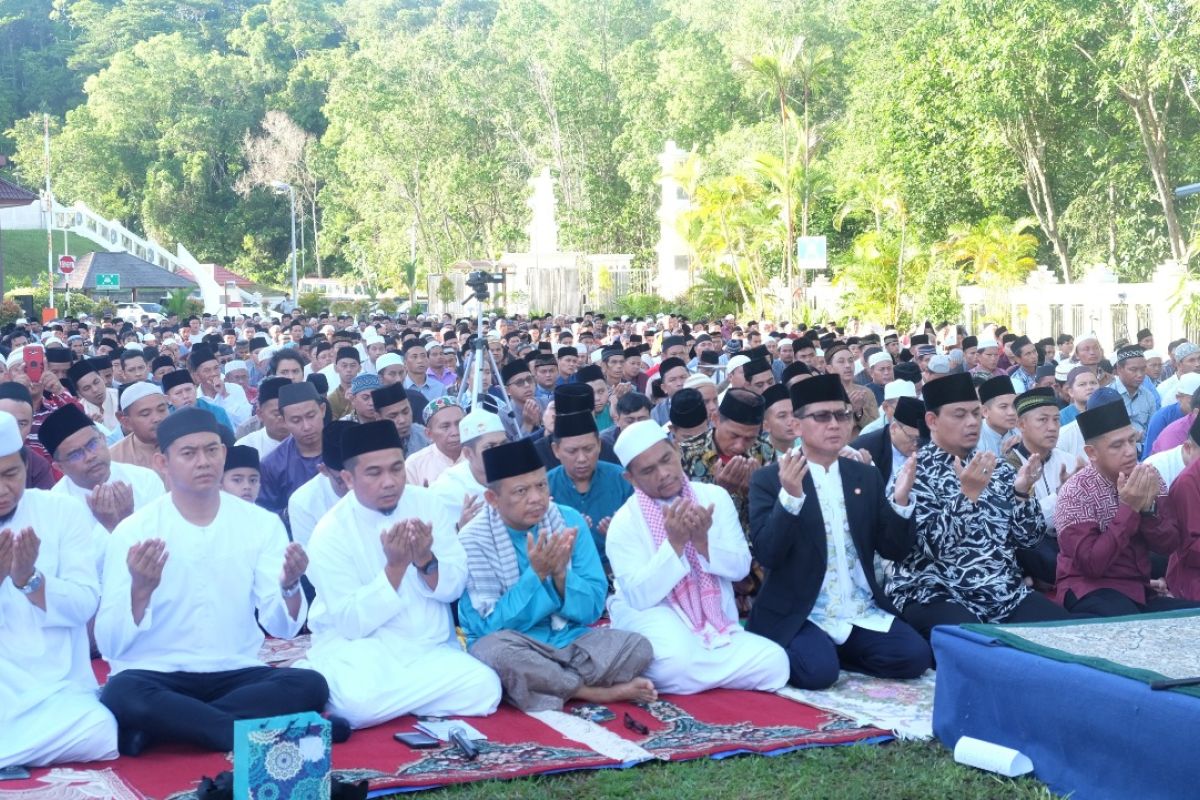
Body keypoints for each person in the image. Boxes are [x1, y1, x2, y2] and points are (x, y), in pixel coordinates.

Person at [95, 407, 329, 755]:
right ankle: (254, 733)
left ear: (223, 453)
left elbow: (282, 627)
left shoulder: (260, 524)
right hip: (156, 675)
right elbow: (110, 645)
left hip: (235, 673)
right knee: (121, 694)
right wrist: (140, 591)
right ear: (163, 463)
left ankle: (168, 731)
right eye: (189, 453)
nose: (203, 461)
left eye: (212, 450)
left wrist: (291, 585)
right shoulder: (136, 530)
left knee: (310, 684)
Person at [301, 420, 501, 729]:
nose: (390, 481)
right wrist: (394, 570)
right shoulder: (329, 533)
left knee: (486, 688)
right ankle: (408, 701)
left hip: (428, 647)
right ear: (348, 478)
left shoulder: (427, 503)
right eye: (374, 473)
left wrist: (425, 560)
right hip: (364, 651)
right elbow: (352, 624)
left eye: (396, 468)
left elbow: (455, 586)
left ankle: (393, 704)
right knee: (357, 705)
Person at [746, 376, 930, 689]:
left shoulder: (864, 475)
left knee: (915, 657)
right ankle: (817, 651)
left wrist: (899, 501)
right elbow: (768, 553)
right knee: (818, 674)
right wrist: (790, 497)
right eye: (821, 416)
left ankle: (837, 652)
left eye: (842, 415)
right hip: (802, 612)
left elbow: (893, 549)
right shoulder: (770, 479)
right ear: (797, 424)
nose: (835, 424)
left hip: (858, 609)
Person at [458, 438, 655, 711]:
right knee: (494, 653)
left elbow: (593, 609)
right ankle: (590, 692)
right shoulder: (473, 540)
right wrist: (536, 575)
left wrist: (562, 576)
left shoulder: (568, 520)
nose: (537, 498)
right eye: (521, 491)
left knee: (638, 648)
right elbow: (487, 628)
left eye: (541, 485)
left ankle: (547, 686)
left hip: (568, 638)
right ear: (492, 499)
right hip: (516, 644)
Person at [606, 420, 790, 694]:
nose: (664, 474)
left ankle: (690, 673)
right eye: (648, 470)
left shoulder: (713, 497)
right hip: (656, 615)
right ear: (630, 478)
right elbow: (639, 597)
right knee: (674, 661)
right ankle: (703, 670)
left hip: (714, 621)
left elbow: (740, 569)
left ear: (677, 451)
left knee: (777, 663)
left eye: (666, 459)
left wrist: (703, 543)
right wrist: (676, 545)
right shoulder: (624, 522)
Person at [886, 372, 1075, 637]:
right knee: (979, 647)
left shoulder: (995, 467)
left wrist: (1022, 493)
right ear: (932, 420)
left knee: (1067, 634)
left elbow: (1029, 538)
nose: (972, 422)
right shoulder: (914, 474)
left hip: (1002, 593)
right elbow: (932, 547)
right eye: (960, 415)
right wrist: (967, 495)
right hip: (937, 593)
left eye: (976, 413)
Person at [0, 410, 120, 769]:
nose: (3, 489)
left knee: (100, 730)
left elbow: (85, 604)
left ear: (26, 466)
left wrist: (29, 581)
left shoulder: (61, 511)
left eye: (10, 475)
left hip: (54, 685)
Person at [1055, 402, 1197, 616]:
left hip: (1139, 590)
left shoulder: (1149, 477)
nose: (1130, 451)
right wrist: (1129, 507)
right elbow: (1092, 565)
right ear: (1091, 453)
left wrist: (1148, 511)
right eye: (1117, 445)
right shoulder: (1076, 491)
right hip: (1090, 590)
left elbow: (1168, 545)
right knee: (1129, 620)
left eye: (1132, 440)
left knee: (1192, 617)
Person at [41, 403, 166, 536]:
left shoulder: (144, 479)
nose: (90, 456)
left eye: (93, 444)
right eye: (75, 454)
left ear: (103, 439)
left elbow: (165, 537)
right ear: (60, 467)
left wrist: (126, 521)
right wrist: (110, 526)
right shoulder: (53, 508)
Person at [1004, 387, 1084, 586]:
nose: (1052, 427)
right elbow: (1021, 528)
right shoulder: (1006, 467)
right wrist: (1062, 496)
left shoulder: (1071, 461)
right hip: (1036, 547)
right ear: (1021, 424)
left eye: (1056, 419)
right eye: (1043, 420)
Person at [546, 400, 632, 576]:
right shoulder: (545, 487)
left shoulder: (622, 479)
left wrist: (619, 533)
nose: (582, 458)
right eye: (572, 451)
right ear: (556, 450)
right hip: (567, 575)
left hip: (618, 570)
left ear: (599, 445)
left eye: (588, 449)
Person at [430, 408, 508, 531]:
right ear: (468, 453)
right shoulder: (446, 489)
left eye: (504, 444)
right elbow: (438, 540)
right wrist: (460, 527)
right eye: (490, 447)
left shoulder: (519, 473)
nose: (500, 452)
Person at [258, 382, 326, 516]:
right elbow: (265, 514)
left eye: (311, 416)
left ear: (323, 410)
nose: (306, 426)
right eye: (296, 420)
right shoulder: (272, 465)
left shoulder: (346, 449)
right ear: (284, 421)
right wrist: (291, 514)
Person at [289, 421, 356, 548]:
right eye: (341, 481)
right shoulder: (303, 502)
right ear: (324, 470)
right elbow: (313, 558)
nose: (352, 487)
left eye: (358, 478)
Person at [852, 395, 926, 488]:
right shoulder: (865, 447)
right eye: (912, 438)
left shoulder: (929, 448)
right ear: (894, 428)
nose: (916, 444)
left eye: (921, 440)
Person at [0, 382, 61, 490]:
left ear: (31, 424)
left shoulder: (38, 466)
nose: (13, 430)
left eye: (21, 423)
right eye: (5, 419)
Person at [110, 383, 171, 475]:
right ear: (127, 422)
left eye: (162, 409)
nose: (157, 418)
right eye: (145, 414)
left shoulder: (188, 440)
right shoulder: (114, 458)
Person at [405, 397, 465, 487]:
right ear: (429, 434)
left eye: (459, 424)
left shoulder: (479, 455)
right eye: (445, 426)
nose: (455, 432)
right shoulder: (414, 465)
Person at [161, 370, 235, 433]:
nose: (185, 396)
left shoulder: (217, 412)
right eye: (178, 393)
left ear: (195, 389)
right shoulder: (165, 422)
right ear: (168, 399)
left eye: (188, 390)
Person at [234, 377, 290, 459]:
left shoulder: (308, 438)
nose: (285, 418)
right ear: (260, 414)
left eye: (290, 413)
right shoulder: (246, 446)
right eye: (277, 414)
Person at [372, 382, 431, 456]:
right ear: (378, 417)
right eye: (393, 416)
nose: (402, 420)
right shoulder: (370, 446)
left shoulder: (424, 436)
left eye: (406, 412)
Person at [1111, 345, 1156, 438]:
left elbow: (1152, 431)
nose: (1140, 375)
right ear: (1119, 369)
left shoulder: (1148, 396)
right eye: (1133, 370)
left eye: (1143, 369)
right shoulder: (1108, 396)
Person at [69, 357, 119, 430]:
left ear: (102, 378)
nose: (95, 389)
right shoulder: (80, 413)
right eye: (87, 388)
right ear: (79, 393)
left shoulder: (120, 396)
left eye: (96, 382)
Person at [977, 375, 1019, 456]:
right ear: (985, 411)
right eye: (1003, 407)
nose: (1012, 413)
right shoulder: (974, 438)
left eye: (1014, 406)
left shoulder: (1021, 432)